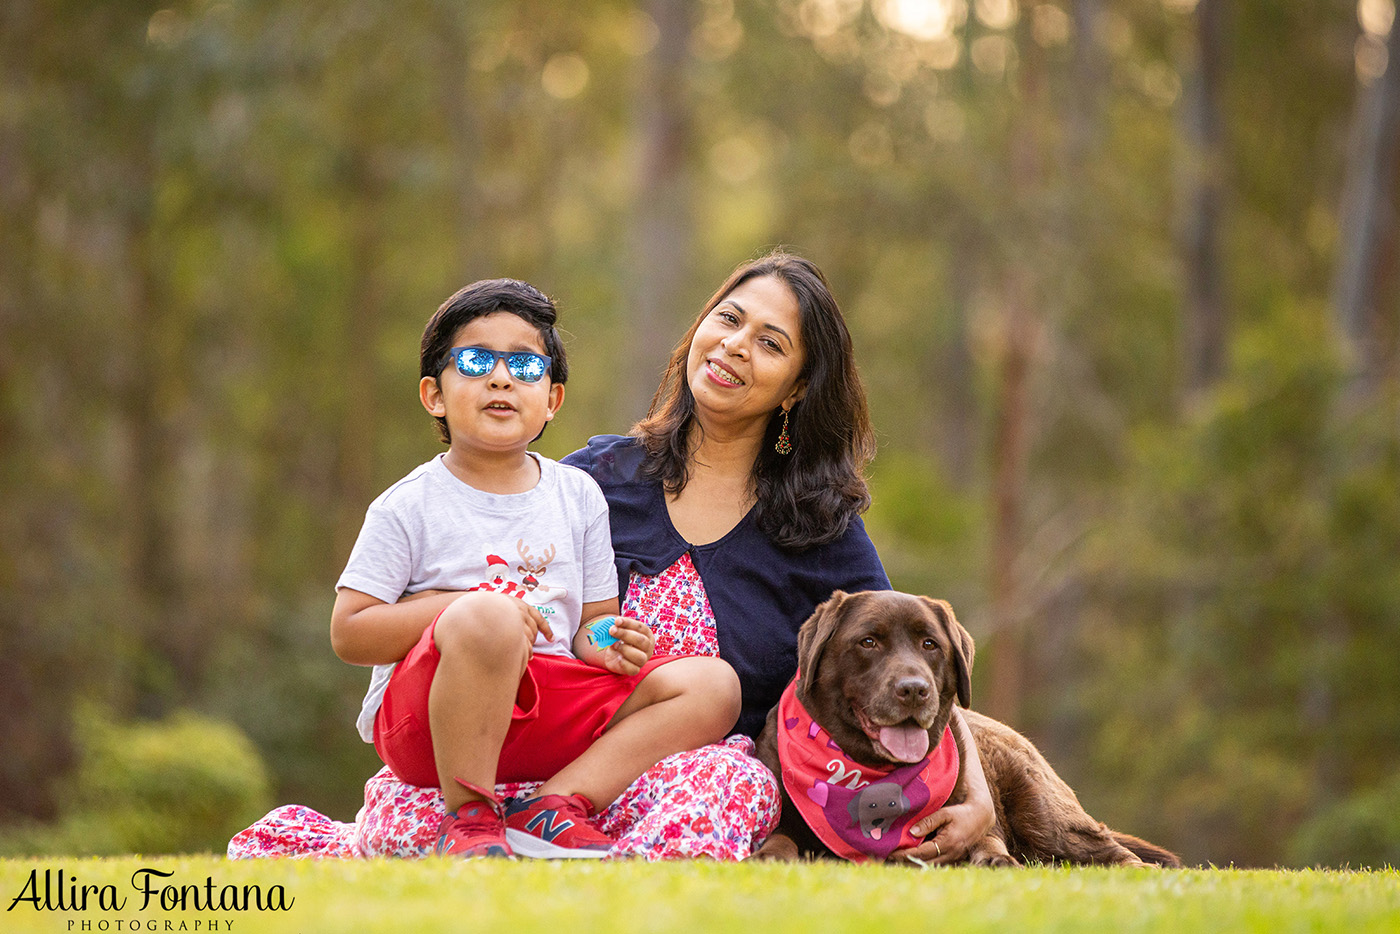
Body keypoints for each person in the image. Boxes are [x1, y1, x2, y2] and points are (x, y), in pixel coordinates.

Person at [229, 253, 994, 863]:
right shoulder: (593, 480)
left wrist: (980, 792)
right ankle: (500, 823)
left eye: (770, 343)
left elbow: (908, 656)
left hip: (671, 774)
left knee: (727, 760)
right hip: (519, 743)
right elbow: (494, 572)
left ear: (797, 387)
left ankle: (552, 819)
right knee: (431, 795)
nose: (735, 346)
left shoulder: (819, 526)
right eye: (727, 319)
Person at [328, 278, 741, 859]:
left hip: (547, 708)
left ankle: (556, 804)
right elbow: (350, 632)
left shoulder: (578, 495)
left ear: (552, 400)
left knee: (713, 685)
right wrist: (462, 607)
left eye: (524, 365)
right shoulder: (409, 504)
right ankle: (469, 815)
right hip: (430, 723)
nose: (500, 379)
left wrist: (611, 646)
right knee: (488, 618)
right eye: (474, 361)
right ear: (433, 395)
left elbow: (591, 623)